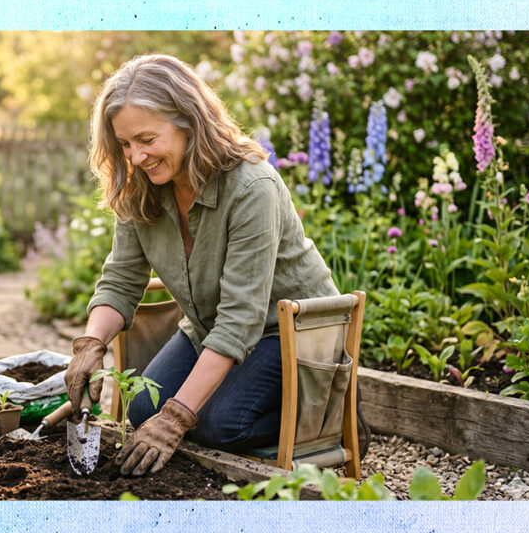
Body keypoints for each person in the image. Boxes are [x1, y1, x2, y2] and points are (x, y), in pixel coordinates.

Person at [64, 54, 339, 477]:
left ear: (188, 122)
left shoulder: (252, 187)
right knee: (143, 407)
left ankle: (329, 416)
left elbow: (242, 317)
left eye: (147, 139)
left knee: (215, 423)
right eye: (124, 144)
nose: (136, 157)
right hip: (212, 329)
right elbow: (121, 279)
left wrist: (178, 418)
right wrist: (91, 344)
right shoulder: (141, 188)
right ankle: (225, 402)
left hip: (291, 335)